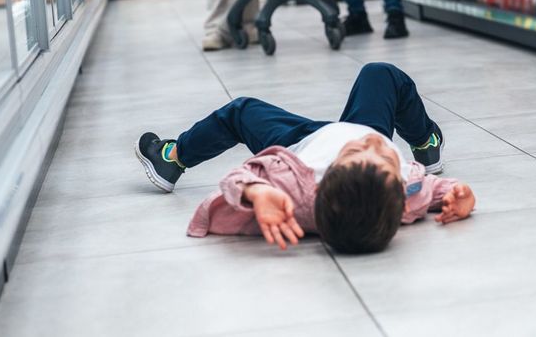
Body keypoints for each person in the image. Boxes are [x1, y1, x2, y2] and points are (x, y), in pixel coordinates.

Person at [135, 63, 476, 253]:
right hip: (352, 126)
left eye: (357, 152)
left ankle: (173, 158)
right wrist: (460, 196)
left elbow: (230, 187)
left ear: (326, 178)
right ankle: (425, 141)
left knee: (240, 111)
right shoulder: (404, 191)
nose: (373, 145)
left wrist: (258, 193)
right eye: (385, 157)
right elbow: (431, 190)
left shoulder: (293, 190)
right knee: (380, 74)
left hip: (302, 143)